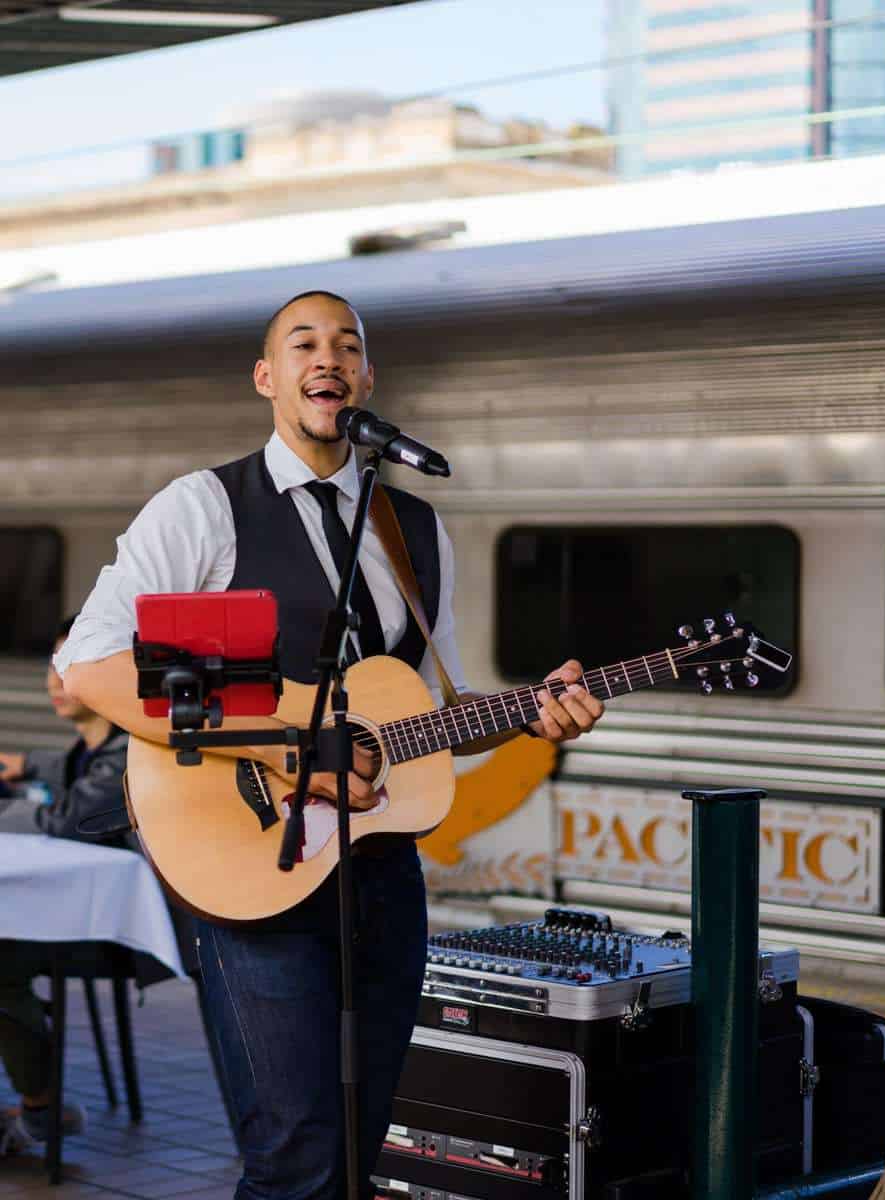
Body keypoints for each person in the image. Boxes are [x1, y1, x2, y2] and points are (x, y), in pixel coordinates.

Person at [56, 289, 605, 1200]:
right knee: (294, 1152)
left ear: (366, 377)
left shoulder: (415, 527)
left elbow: (429, 720)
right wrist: (285, 750)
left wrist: (529, 714)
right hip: (248, 860)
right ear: (268, 379)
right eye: (304, 343)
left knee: (357, 1150)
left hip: (380, 873)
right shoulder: (204, 507)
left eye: (348, 345)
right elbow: (93, 667)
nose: (330, 357)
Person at [0, 615, 129, 1151]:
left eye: (68, 664)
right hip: (67, 914)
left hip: (109, 932)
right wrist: (23, 764)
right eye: (52, 665)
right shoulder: (89, 751)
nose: (55, 680)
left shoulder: (128, 752)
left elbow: (69, 820)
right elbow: (60, 769)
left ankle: (42, 1107)